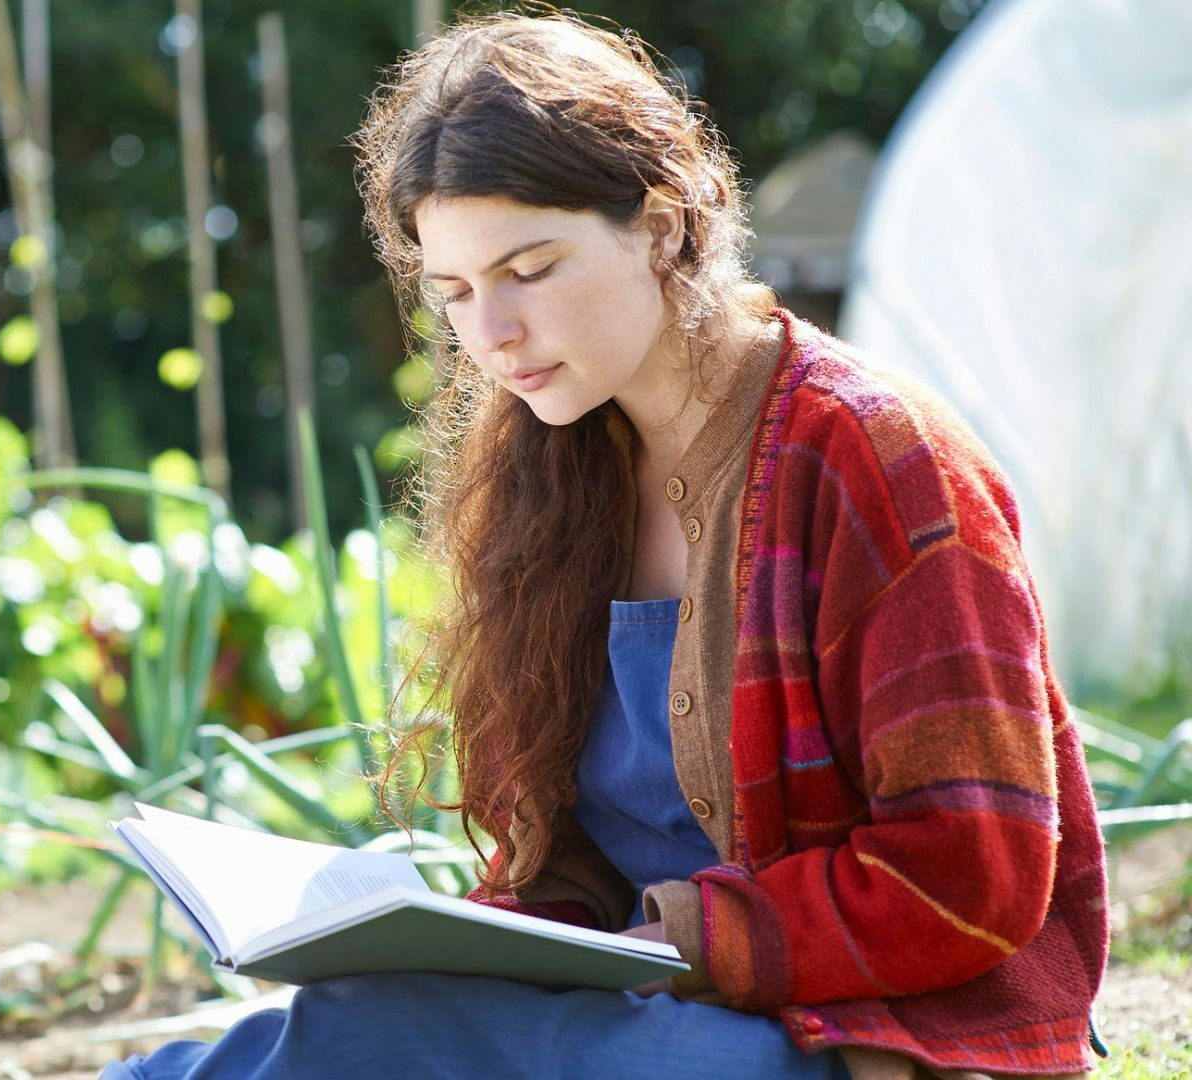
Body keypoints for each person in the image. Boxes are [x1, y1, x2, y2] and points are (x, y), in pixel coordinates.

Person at [100, 9, 1107, 1079]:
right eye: (455, 295)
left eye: (528, 269)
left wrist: (688, 939)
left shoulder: (873, 456)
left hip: (863, 1036)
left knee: (386, 1037)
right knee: (374, 1007)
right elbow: (574, 866)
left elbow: (974, 868)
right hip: (644, 1013)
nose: (490, 335)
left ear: (665, 225)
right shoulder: (558, 472)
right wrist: (511, 932)